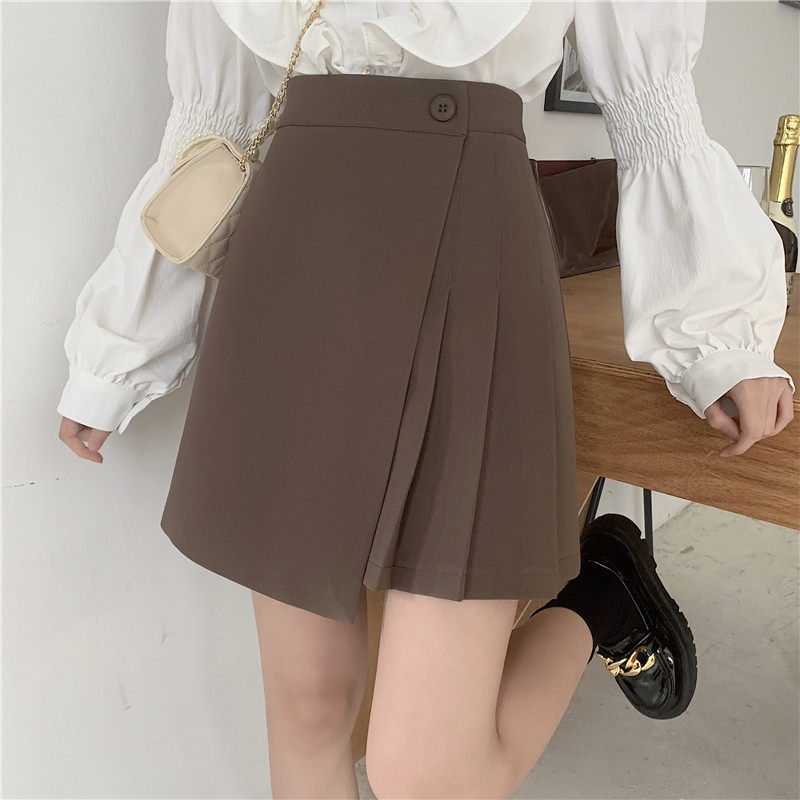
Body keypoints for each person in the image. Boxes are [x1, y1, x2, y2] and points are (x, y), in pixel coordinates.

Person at [57, 2, 795, 798]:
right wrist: (118, 356)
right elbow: (212, 127)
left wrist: (719, 336)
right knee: (308, 707)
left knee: (427, 774)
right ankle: (605, 584)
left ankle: (598, 596)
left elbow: (653, 111)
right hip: (294, 272)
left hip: (473, 264)